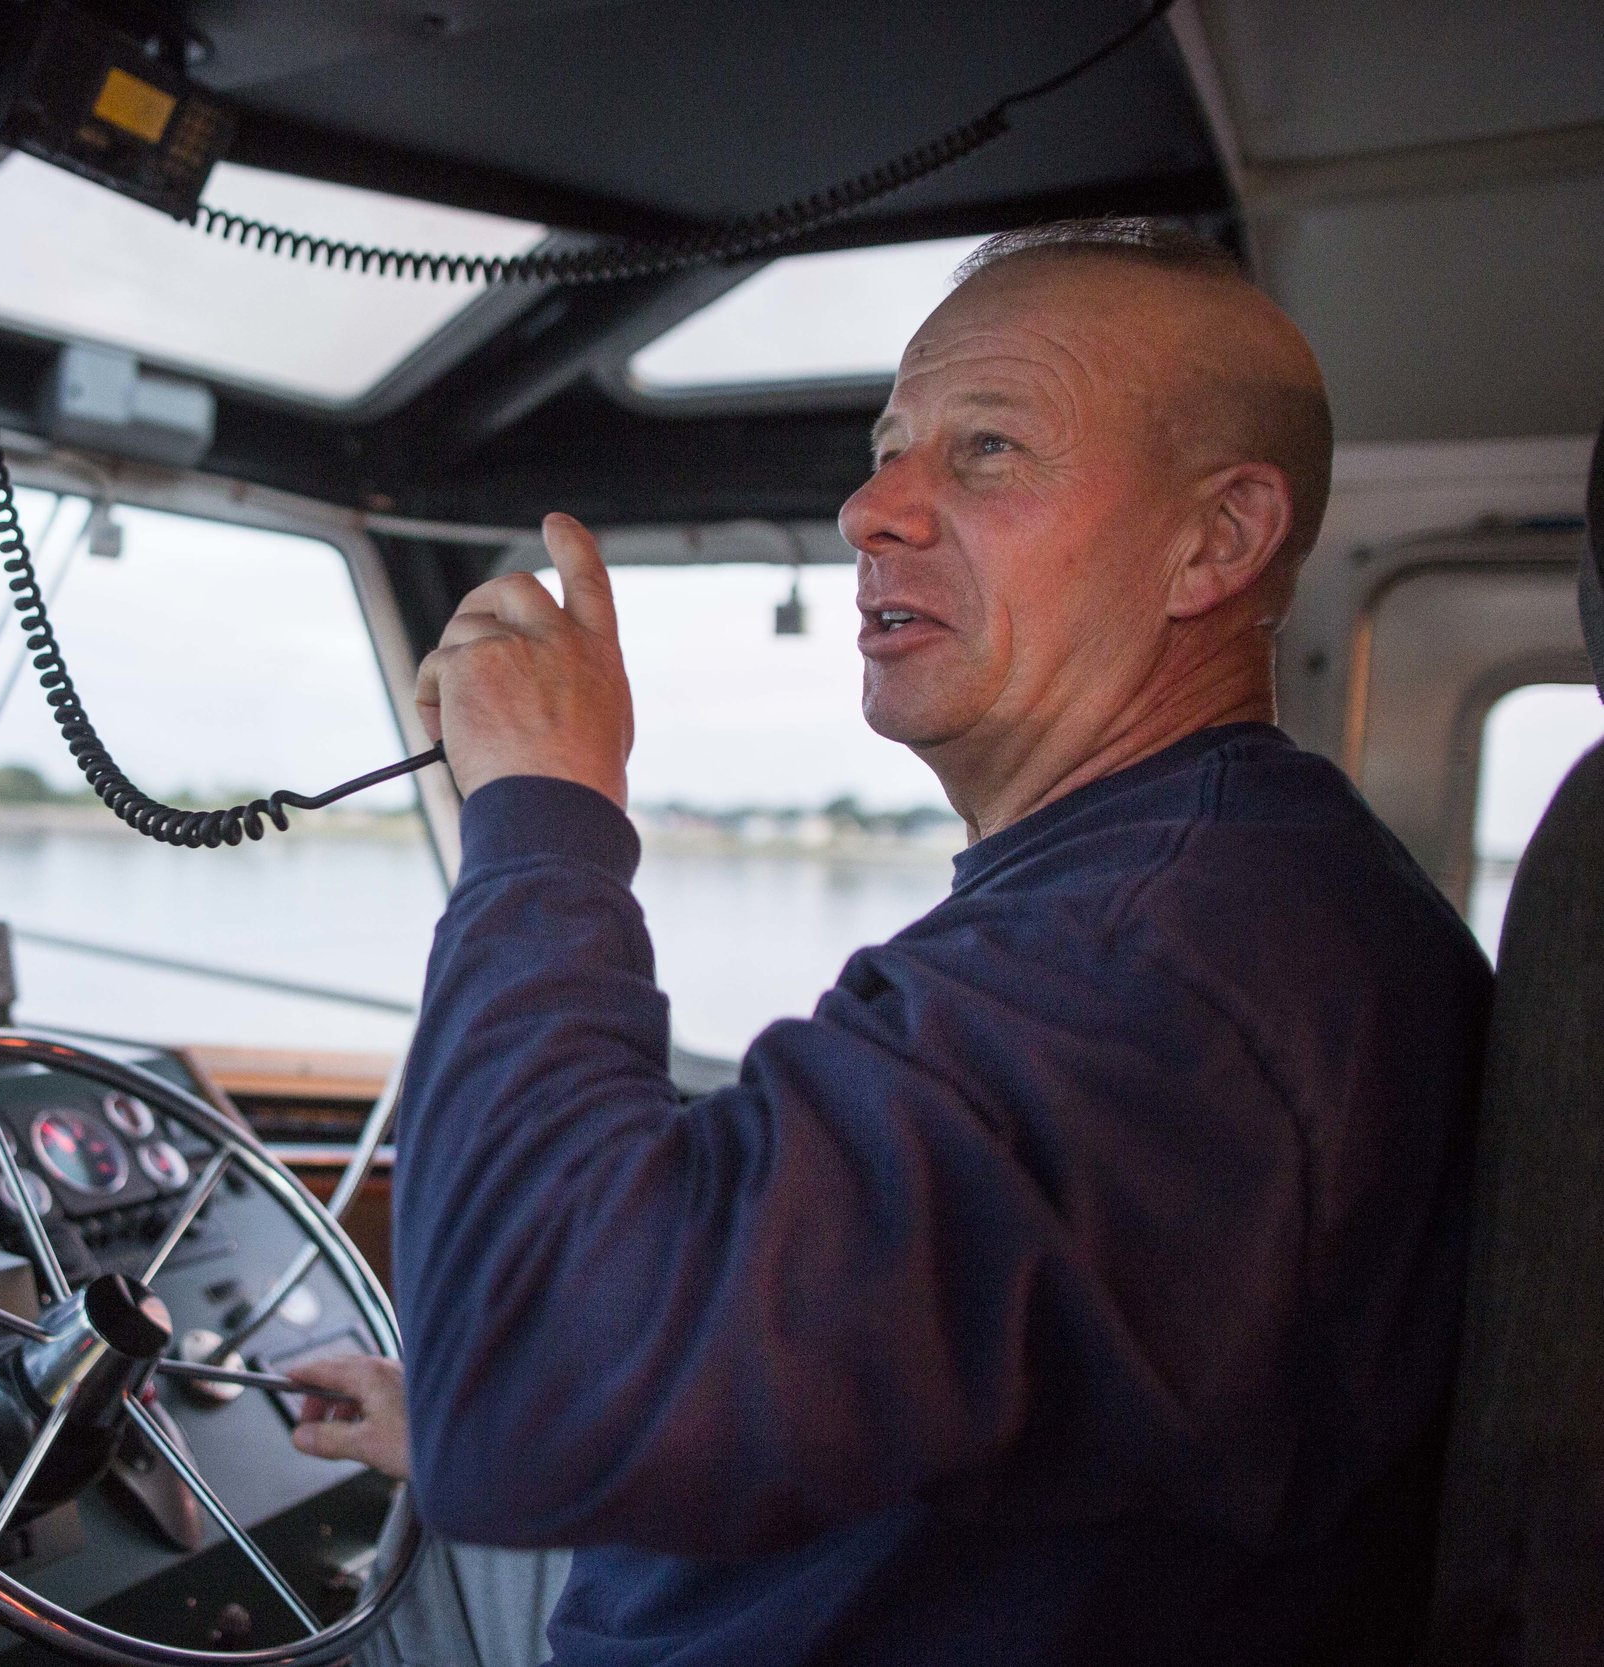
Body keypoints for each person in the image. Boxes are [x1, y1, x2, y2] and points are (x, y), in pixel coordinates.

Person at [290, 219, 1492, 1666]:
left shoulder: (1157, 969)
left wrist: (547, 807)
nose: (874, 507)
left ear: (1213, 542)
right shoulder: (1193, 889)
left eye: (988, 449)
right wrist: (479, 1409)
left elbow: (541, 1368)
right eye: (890, 445)